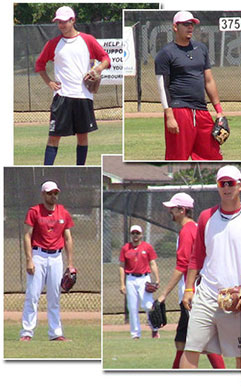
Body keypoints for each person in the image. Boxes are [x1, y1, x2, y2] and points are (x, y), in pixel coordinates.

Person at [180, 165, 241, 369]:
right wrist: (188, 288)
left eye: (231, 183)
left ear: (240, 186)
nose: (227, 188)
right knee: (191, 349)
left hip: (237, 299)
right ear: (218, 187)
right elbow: (197, 256)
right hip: (207, 295)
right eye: (223, 183)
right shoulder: (205, 217)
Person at [35, 6, 111, 165]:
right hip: (62, 96)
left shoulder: (87, 40)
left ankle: (80, 168)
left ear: (73, 20)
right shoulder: (53, 44)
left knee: (82, 136)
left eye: (64, 21)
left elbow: (106, 59)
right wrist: (49, 82)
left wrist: (98, 68)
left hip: (83, 96)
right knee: (54, 137)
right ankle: (47, 170)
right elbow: (40, 64)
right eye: (58, 22)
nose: (61, 25)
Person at [160, 193, 225, 369]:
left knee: (203, 342)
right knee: (182, 341)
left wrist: (163, 295)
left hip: (193, 296)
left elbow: (182, 266)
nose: (170, 212)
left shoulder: (187, 231)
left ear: (182, 210)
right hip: (197, 292)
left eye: (172, 209)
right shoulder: (195, 228)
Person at [154, 11, 225, 160]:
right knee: (177, 157)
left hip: (201, 109)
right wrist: (169, 116)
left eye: (192, 24)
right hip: (179, 110)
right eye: (186, 24)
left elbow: (209, 80)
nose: (190, 27)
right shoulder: (165, 53)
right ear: (175, 27)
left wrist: (219, 111)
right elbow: (163, 87)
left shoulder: (201, 49)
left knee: (211, 155)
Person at [20, 181, 74, 341]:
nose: (53, 196)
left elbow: (68, 238)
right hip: (38, 255)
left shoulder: (63, 212)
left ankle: (56, 333)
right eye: (50, 193)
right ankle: (27, 332)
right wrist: (29, 260)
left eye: (55, 193)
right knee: (32, 295)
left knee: (54, 297)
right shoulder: (34, 211)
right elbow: (27, 236)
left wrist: (70, 264)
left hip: (56, 257)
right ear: (43, 194)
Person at [119, 225, 161, 339]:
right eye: (133, 233)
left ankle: (154, 328)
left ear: (142, 235)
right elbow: (122, 266)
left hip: (144, 278)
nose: (135, 235)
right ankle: (135, 334)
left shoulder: (147, 247)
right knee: (132, 307)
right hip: (131, 279)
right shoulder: (125, 248)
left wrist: (156, 278)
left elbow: (152, 263)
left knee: (148, 305)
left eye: (137, 233)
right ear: (131, 235)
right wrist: (122, 283)